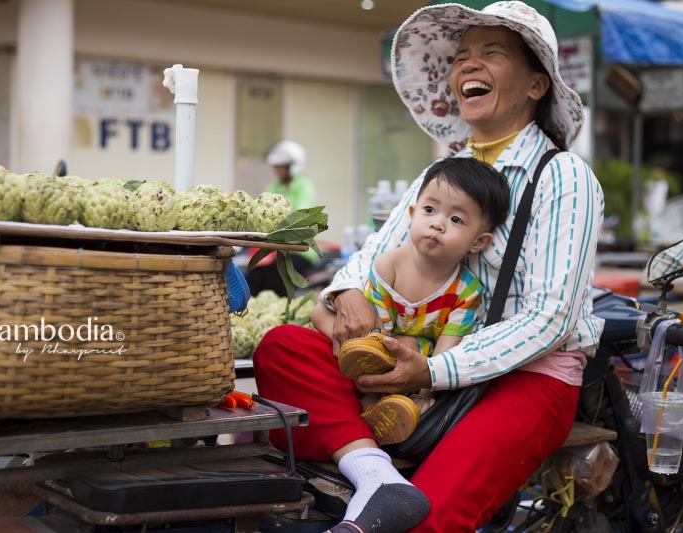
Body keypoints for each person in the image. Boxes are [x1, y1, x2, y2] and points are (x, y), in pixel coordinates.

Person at [253, 2, 604, 532]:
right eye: (461, 56)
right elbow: (378, 251)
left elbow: (550, 319)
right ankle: (377, 478)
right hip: (418, 354)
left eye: (491, 53)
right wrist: (348, 292)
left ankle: (388, 500)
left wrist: (435, 371)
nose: (468, 65)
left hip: (527, 376)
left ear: (536, 86)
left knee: (430, 519)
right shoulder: (442, 172)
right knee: (281, 348)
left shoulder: (564, 178)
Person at [311, 157, 509, 446]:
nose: (437, 224)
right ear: (413, 214)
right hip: (375, 336)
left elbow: (446, 347)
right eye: (430, 210)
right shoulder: (388, 264)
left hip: (416, 355)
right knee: (319, 313)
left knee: (408, 348)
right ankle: (369, 392)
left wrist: (426, 391)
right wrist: (375, 345)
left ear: (478, 242)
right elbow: (374, 322)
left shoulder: (467, 291)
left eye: (456, 220)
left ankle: (387, 408)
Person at [245, 140, 320, 296]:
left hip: (299, 251)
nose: (276, 170)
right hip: (274, 248)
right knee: (254, 272)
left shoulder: (304, 185)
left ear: (293, 166)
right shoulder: (275, 186)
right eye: (275, 167)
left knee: (277, 272)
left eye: (280, 166)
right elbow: (261, 205)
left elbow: (302, 214)